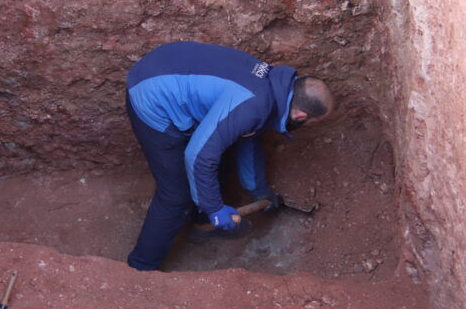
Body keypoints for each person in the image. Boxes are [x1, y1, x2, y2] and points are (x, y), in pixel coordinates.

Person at [125, 41, 334, 271]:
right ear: (301, 116)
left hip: (167, 68)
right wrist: (214, 208)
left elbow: (249, 137)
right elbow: (198, 156)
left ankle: (203, 226)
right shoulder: (253, 105)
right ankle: (140, 268)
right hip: (152, 97)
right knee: (175, 196)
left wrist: (259, 190)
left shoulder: (273, 88)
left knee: (222, 150)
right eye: (312, 123)